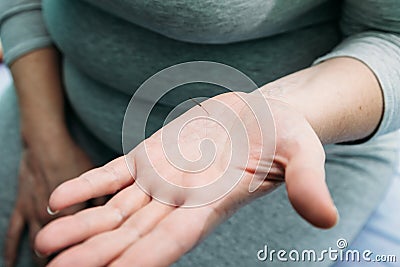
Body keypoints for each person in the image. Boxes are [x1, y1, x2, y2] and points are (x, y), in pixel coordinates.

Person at [0, 0, 399, 266]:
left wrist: (284, 109)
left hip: (273, 151)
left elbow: (390, 35)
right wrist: (45, 135)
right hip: (51, 97)